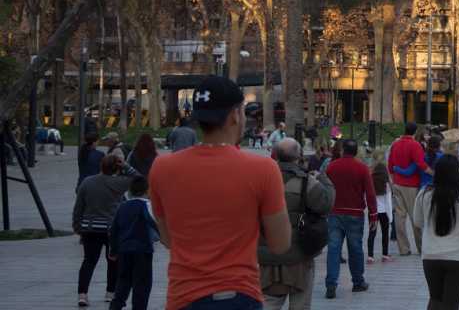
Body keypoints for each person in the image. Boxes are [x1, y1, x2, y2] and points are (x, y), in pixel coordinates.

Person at [149, 76, 292, 310]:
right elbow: (280, 243)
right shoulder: (263, 169)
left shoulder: (161, 168)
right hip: (239, 295)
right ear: (235, 115)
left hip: (184, 297)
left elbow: (168, 239)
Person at [260, 138, 335, 310]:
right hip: (299, 255)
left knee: (269, 302)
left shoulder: (261, 182)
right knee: (300, 303)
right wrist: (323, 179)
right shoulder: (306, 182)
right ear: (299, 156)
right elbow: (326, 204)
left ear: (276, 156)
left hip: (266, 256)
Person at [413, 155, 459, 310]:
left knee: (435, 299)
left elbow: (417, 222)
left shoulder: (424, 194)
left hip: (430, 255)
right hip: (457, 256)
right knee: (451, 302)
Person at [73, 154, 139, 307]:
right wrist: (126, 166)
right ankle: (110, 293)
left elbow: (79, 207)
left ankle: (82, 295)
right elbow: (138, 178)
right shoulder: (119, 183)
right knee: (113, 261)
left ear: (101, 165)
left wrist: (78, 227)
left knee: (89, 261)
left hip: (90, 228)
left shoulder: (87, 182)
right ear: (116, 168)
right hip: (112, 229)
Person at [324, 139, 376, 298]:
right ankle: (358, 282)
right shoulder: (362, 168)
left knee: (333, 249)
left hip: (334, 213)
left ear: (342, 150)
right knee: (355, 249)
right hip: (355, 213)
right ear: (356, 151)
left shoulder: (331, 167)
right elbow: (370, 193)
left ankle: (331, 284)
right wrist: (373, 215)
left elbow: (324, 188)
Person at [107, 176, 159, 310]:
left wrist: (113, 250)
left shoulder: (122, 207)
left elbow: (114, 230)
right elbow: (155, 223)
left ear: (130, 191)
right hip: (142, 250)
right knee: (142, 285)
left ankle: (115, 306)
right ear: (147, 191)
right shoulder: (146, 205)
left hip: (124, 250)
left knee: (123, 282)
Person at [388, 122, 432, 256]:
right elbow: (420, 163)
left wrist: (392, 180)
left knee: (399, 217)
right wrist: (433, 172)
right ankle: (420, 246)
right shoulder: (415, 145)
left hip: (396, 183)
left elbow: (390, 165)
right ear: (415, 132)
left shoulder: (395, 144)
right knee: (415, 216)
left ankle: (404, 248)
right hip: (411, 185)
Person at [367, 157, 393, 264]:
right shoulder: (386, 184)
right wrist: (390, 217)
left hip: (373, 212)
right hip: (384, 213)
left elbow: (367, 197)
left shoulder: (370, 182)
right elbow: (388, 202)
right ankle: (385, 255)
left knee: (371, 233)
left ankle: (370, 256)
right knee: (385, 233)